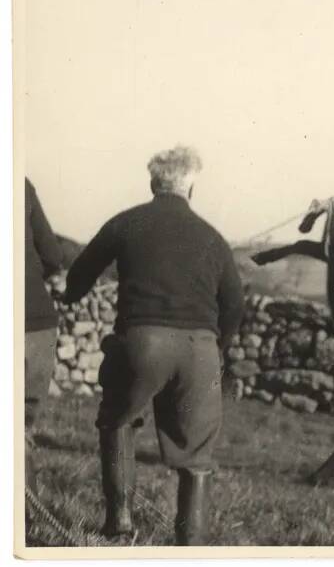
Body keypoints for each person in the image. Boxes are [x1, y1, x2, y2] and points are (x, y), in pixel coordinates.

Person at [64, 146, 244, 545]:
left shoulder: (126, 223)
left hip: (141, 342)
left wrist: (72, 297)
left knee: (117, 420)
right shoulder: (213, 237)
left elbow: (79, 276)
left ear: (152, 183)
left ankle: (120, 521)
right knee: (196, 458)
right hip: (200, 350)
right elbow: (234, 304)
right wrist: (218, 350)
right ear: (191, 187)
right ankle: (190, 548)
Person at [24, 178, 64, 497]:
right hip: (36, 323)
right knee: (21, 427)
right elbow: (52, 255)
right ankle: (26, 517)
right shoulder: (20, 184)